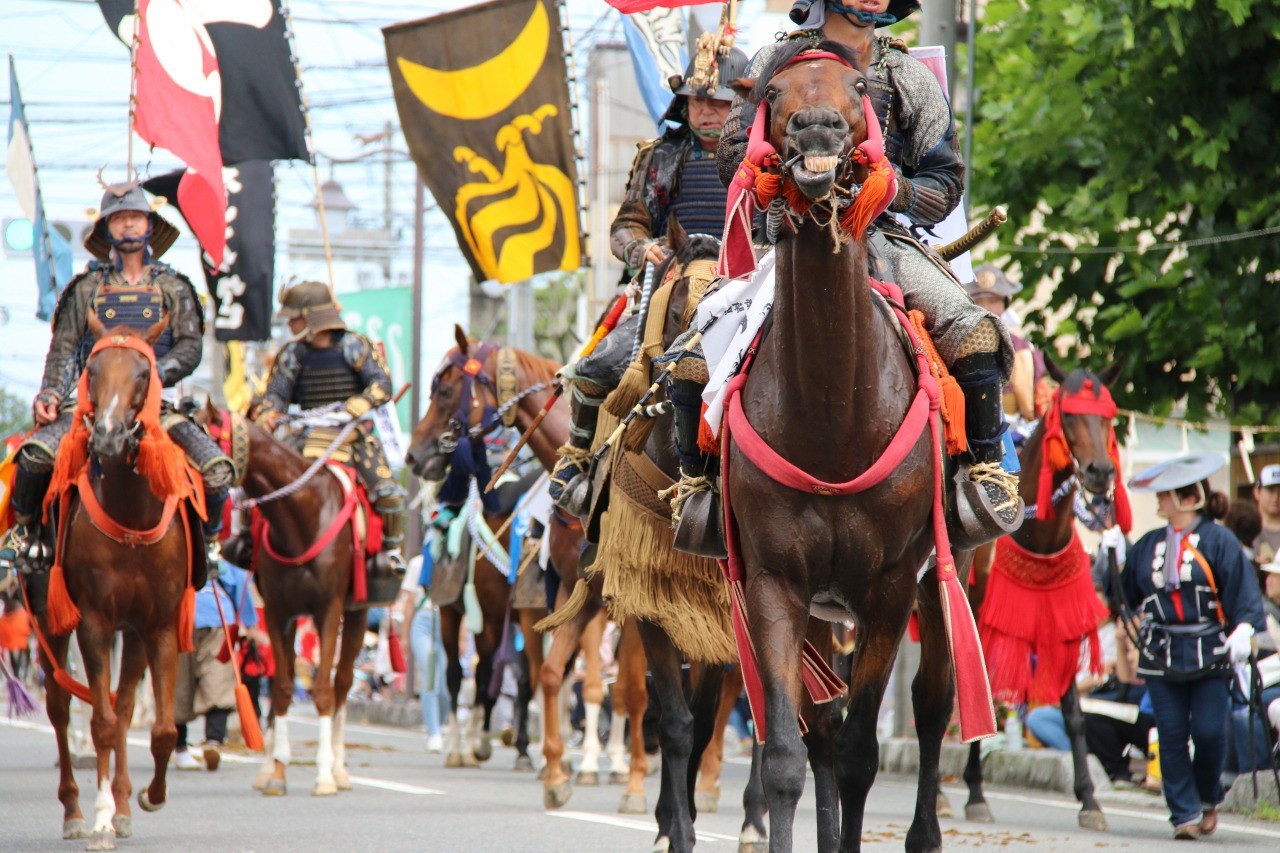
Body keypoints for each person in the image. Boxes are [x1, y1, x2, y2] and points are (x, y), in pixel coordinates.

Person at [672, 0, 1018, 544]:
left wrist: (895, 190)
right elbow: (733, 153)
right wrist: (756, 179)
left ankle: (983, 475)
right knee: (695, 350)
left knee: (973, 331)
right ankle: (699, 490)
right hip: (784, 238)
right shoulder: (772, 61)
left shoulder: (905, 75)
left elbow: (946, 183)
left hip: (885, 238)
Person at [549, 47, 749, 507]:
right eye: (698, 101)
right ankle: (578, 458)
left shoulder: (759, 158)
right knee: (595, 367)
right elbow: (627, 225)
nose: (706, 110)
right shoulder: (659, 157)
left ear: (737, 106)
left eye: (718, 102)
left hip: (745, 286)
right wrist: (641, 247)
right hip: (669, 283)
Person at [0, 183, 233, 571]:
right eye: (119, 218)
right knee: (36, 455)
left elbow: (191, 349)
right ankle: (26, 533)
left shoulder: (174, 287)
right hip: (91, 403)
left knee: (216, 469)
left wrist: (148, 376)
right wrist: (51, 393)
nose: (128, 224)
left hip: (154, 404)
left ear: (149, 224)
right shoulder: (86, 287)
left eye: (135, 217)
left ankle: (207, 546)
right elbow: (65, 348)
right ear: (107, 227)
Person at [1118, 452, 1266, 839]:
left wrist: (1244, 630)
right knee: (1169, 733)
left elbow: (1244, 595)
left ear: (1188, 498)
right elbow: (1124, 592)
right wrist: (1113, 554)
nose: (1159, 500)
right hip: (1161, 652)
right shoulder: (1148, 544)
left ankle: (1206, 799)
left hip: (1210, 652)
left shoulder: (1221, 540)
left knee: (1209, 732)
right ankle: (1183, 814)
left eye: (1166, 494)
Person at [251, 281, 407, 576]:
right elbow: (275, 396)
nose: (290, 322)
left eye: (294, 316)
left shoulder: (355, 345)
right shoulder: (292, 354)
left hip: (352, 436)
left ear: (311, 316)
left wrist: (362, 402)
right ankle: (248, 544)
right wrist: (268, 413)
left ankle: (391, 553)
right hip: (305, 436)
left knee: (390, 494)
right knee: (261, 482)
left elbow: (382, 383)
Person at [173, 560, 258, 771]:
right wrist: (246, 622)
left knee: (207, 683)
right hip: (194, 619)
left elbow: (239, 581)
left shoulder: (221, 558)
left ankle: (202, 744)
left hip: (207, 621)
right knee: (186, 686)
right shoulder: (221, 561)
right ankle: (199, 743)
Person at [966, 265, 1045, 426]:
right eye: (978, 301)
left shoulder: (1023, 349)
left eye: (993, 301)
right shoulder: (956, 344)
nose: (986, 308)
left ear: (1005, 304)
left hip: (1017, 430)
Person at [1252, 464, 1280, 565]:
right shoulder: (1246, 527)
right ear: (1256, 492)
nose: (1276, 497)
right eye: (1270, 490)